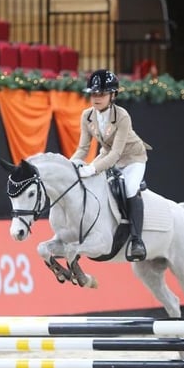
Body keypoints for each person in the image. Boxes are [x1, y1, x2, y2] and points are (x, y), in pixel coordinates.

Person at [70, 69, 152, 262]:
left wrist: (92, 168)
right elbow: (82, 149)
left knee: (131, 188)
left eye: (102, 94)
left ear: (113, 95)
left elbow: (117, 153)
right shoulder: (87, 116)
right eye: (93, 93)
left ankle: (136, 240)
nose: (96, 98)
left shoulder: (122, 116)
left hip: (132, 157)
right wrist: (71, 166)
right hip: (107, 155)